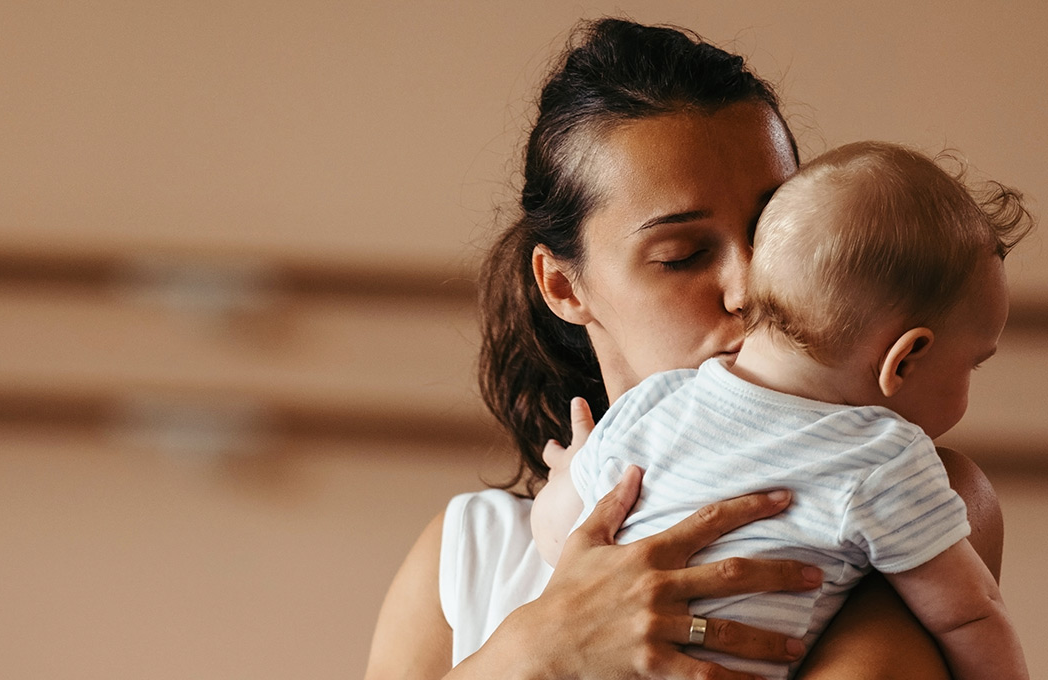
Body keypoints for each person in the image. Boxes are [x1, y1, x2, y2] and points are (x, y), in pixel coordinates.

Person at [364, 18, 1008, 680]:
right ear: (563, 285)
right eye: (684, 255)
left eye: (769, 236)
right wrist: (535, 649)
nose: (747, 286)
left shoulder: (898, 487)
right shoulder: (468, 552)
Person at [530, 141, 1031, 680]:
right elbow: (968, 616)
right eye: (972, 366)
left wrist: (574, 474)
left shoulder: (652, 405)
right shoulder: (885, 461)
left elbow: (562, 538)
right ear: (903, 359)